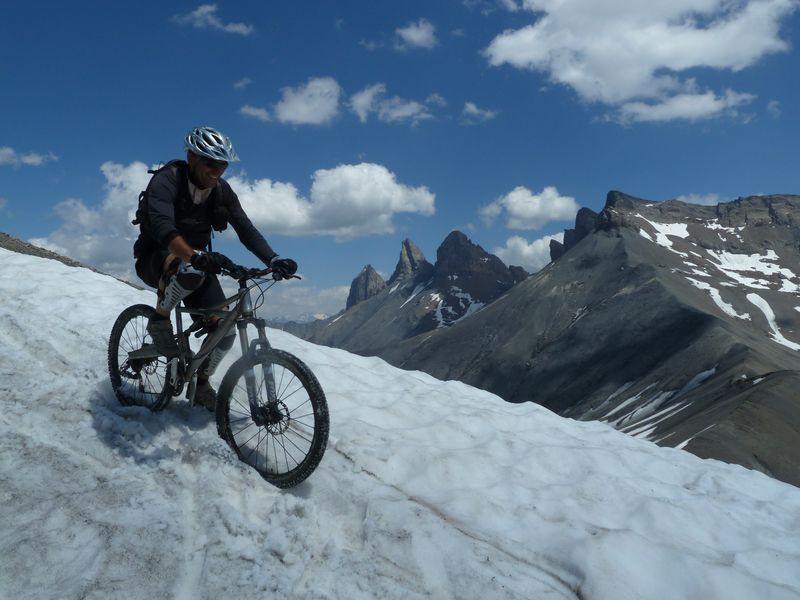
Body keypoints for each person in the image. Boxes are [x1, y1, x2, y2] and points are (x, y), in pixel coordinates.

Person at [132, 126, 297, 410]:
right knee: (187, 267)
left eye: (223, 164)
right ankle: (160, 318)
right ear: (192, 157)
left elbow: (246, 229)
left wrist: (273, 259)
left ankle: (202, 382)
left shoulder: (221, 191)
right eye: (211, 162)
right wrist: (191, 255)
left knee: (226, 331)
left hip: (198, 266)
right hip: (155, 258)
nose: (218, 170)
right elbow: (162, 226)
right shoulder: (166, 181)